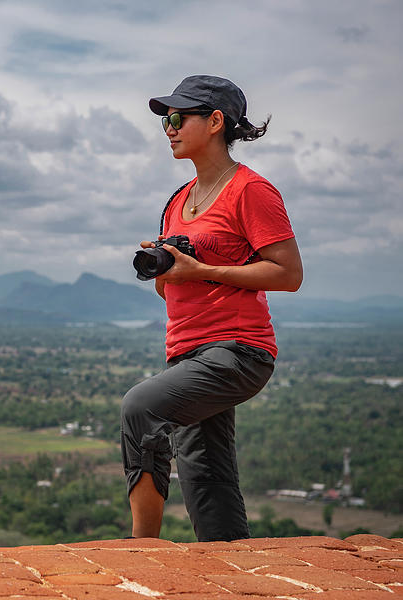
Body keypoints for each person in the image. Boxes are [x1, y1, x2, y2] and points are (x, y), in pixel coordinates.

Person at [120, 75, 303, 541]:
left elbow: (288, 274)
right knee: (206, 476)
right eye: (166, 119)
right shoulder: (177, 200)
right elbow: (171, 291)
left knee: (141, 409)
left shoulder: (250, 190)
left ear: (216, 121)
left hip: (238, 350)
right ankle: (232, 572)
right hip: (187, 350)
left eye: (179, 117)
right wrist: (169, 269)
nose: (169, 128)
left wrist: (202, 269)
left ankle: (142, 549)